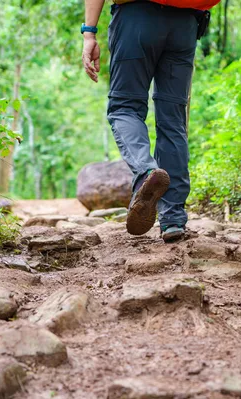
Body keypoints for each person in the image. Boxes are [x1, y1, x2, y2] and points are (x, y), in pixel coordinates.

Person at [81, 0, 214, 242]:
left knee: (125, 108)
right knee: (173, 121)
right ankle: (173, 219)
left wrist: (89, 33)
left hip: (136, 18)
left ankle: (146, 172)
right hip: (185, 23)